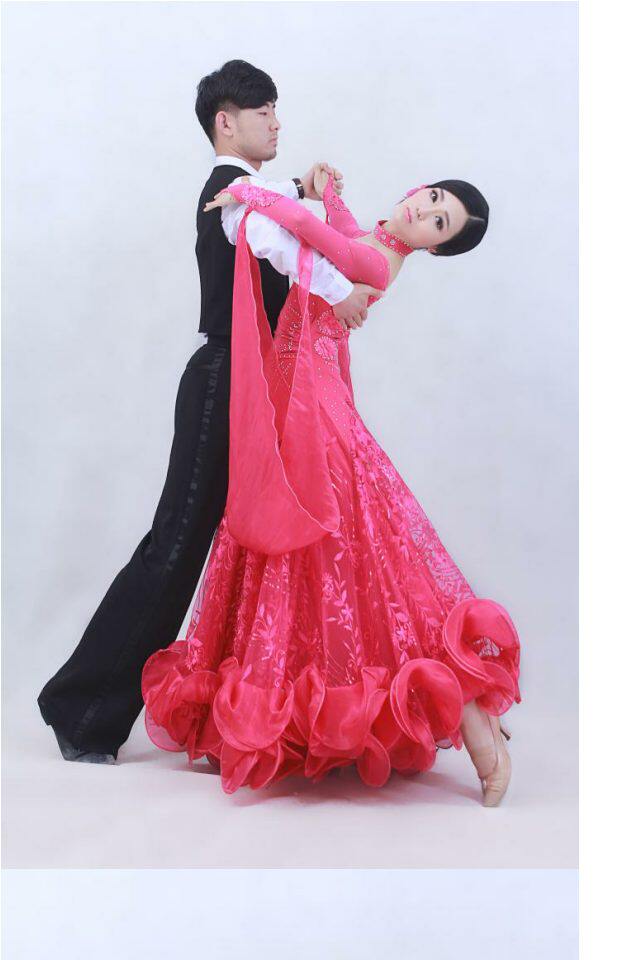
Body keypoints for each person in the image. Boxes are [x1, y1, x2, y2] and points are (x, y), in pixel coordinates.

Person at [141, 166, 521, 806]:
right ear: (419, 188)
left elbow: (309, 230)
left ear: (435, 247)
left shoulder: (375, 262)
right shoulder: (377, 241)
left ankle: (475, 722)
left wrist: (250, 192)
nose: (423, 211)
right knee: (328, 543)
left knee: (358, 546)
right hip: (303, 391)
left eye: (439, 222)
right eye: (432, 198)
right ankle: (280, 716)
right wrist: (331, 189)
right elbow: (338, 227)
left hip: (313, 403)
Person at [37, 60, 372, 764]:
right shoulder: (234, 196)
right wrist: (339, 289)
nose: (277, 123)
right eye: (264, 111)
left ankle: (239, 712)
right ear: (226, 120)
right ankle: (80, 709)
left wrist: (307, 189)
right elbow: (281, 241)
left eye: (277, 110)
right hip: (225, 380)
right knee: (177, 543)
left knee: (235, 544)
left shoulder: (253, 191)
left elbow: (282, 212)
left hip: (249, 381)